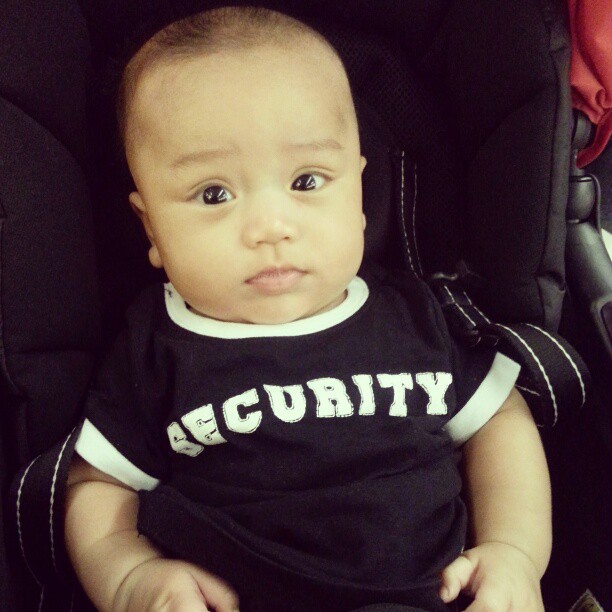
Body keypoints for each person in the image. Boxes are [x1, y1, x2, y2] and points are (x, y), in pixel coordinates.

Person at [65, 6, 551, 611]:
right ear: (152, 229)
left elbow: (498, 419)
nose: (271, 227)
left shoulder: (415, 312)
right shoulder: (156, 348)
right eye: (214, 194)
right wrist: (127, 578)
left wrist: (516, 552)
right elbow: (97, 483)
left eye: (307, 181)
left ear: (360, 192)